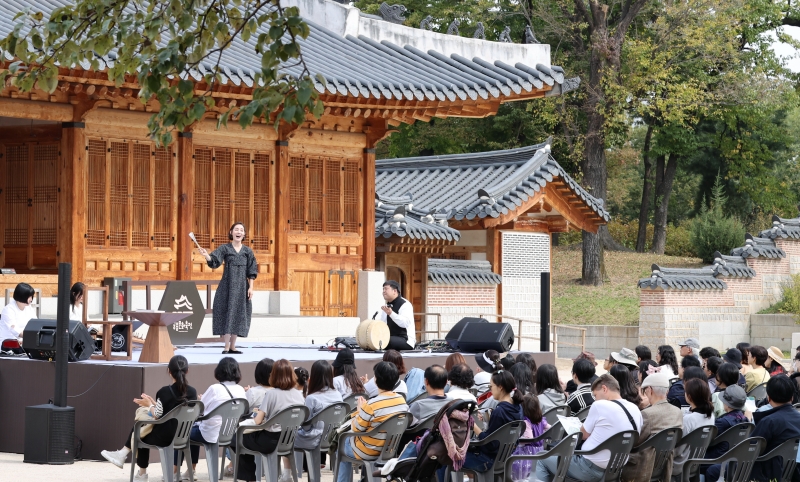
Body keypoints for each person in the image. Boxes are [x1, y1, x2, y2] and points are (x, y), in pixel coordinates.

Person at [101, 355, 198, 481]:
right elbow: (170, 411)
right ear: (187, 370)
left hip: (165, 438)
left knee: (140, 430)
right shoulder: (193, 392)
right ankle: (125, 458)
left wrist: (150, 405)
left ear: (168, 371)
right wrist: (153, 404)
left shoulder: (164, 391)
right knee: (143, 425)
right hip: (183, 436)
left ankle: (141, 472)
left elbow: (157, 415)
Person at [535, 374, 643, 482]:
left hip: (589, 468)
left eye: (595, 395)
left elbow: (583, 435)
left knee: (542, 458)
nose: (595, 400)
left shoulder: (600, 405)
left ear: (604, 389)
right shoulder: (635, 409)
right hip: (615, 469)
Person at [705, 375, 800, 482]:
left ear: (768, 398)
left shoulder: (769, 421)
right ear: (792, 397)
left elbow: (749, 451)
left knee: (713, 471)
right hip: (791, 473)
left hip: (763, 473)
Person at [336, 361, 408, 482]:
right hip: (389, 449)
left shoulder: (371, 405)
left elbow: (356, 429)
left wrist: (359, 411)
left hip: (368, 451)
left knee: (342, 443)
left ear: (376, 380)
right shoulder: (402, 401)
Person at [233, 359, 304, 481]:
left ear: (274, 375)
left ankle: (248, 478)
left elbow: (257, 421)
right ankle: (286, 475)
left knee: (236, 438)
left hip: (270, 441)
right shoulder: (298, 394)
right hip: (290, 439)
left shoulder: (272, 394)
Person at [177, 357, 246, 479]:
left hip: (210, 433)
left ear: (219, 371)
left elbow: (199, 410)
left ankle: (180, 471)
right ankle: (190, 471)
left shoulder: (215, 388)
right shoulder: (241, 390)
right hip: (230, 433)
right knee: (195, 429)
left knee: (184, 431)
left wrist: (201, 398)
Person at [197, 222, 257, 354]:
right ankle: (225, 346)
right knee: (227, 312)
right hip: (227, 286)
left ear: (244, 234)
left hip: (242, 287)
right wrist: (206, 255)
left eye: (241, 230)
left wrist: (251, 288)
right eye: (236, 229)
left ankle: (233, 346)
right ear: (231, 232)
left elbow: (252, 271)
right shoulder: (225, 248)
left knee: (238, 314)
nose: (239, 232)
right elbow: (214, 261)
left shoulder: (248, 251)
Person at [455, 370, 524, 476]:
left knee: (448, 457)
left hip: (488, 460)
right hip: (505, 459)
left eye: (491, 386)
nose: (490, 390)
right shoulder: (518, 407)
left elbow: (489, 444)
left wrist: (474, 426)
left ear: (500, 387)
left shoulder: (499, 411)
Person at [621, 372, 683, 482]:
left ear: (650, 390)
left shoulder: (647, 414)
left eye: (644, 391)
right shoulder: (677, 412)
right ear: (667, 391)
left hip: (641, 467)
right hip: (664, 465)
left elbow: (634, 443)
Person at [294, 360, 343, 461]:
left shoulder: (311, 398)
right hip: (333, 437)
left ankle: (289, 472)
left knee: (286, 437)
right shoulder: (338, 394)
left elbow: (306, 427)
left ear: (314, 376)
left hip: (315, 439)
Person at [672, 378, 715, 476]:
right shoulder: (710, 414)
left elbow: (677, 448)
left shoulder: (689, 419)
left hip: (680, 464)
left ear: (689, 397)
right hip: (696, 461)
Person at [511, 394, 550, 481]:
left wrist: (516, 441)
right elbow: (550, 428)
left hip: (526, 454)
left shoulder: (525, 421)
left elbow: (528, 438)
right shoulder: (541, 420)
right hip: (540, 451)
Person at [704, 385, 748, 462]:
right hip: (735, 458)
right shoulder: (745, 420)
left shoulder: (722, 422)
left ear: (727, 404)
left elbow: (705, 440)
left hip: (715, 459)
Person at [376, 280, 415, 351]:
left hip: (405, 340)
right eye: (383, 289)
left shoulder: (405, 304)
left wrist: (391, 314)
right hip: (391, 338)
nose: (383, 291)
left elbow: (405, 323)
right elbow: (383, 324)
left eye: (386, 289)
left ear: (394, 291)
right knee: (375, 340)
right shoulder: (387, 305)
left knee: (383, 341)